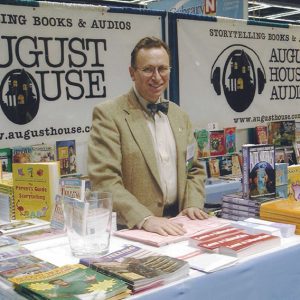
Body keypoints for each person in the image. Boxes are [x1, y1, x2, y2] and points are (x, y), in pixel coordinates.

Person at [88, 36, 208, 236]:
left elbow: (193, 169)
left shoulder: (180, 116)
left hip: (180, 224)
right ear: (132, 73)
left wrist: (193, 204)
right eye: (147, 69)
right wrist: (144, 218)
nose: (157, 77)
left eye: (162, 69)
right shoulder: (109, 115)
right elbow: (104, 180)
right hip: (133, 229)